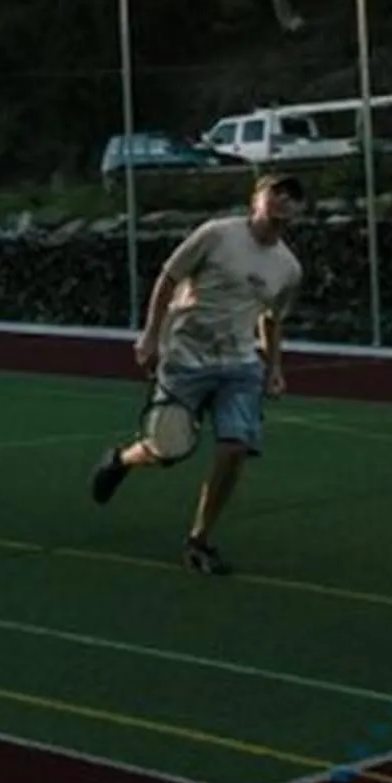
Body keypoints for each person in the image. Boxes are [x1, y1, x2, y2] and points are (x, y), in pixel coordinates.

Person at [87, 172, 305, 575]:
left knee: (235, 448)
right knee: (166, 448)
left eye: (293, 196)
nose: (284, 200)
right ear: (256, 199)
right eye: (276, 192)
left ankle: (199, 540)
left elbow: (272, 320)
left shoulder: (288, 269)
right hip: (186, 355)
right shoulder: (217, 234)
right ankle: (121, 460)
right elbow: (168, 278)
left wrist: (274, 368)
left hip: (239, 364)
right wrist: (151, 335)